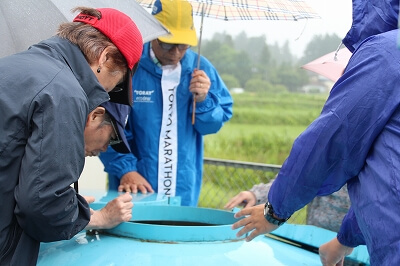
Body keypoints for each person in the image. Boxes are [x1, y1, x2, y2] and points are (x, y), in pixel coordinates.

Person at [231, 0, 400, 264]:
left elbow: (328, 145)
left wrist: (273, 212)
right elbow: (387, 177)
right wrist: (344, 240)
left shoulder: (388, 51)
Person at [0, 7, 143, 265]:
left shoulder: (12, 65)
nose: (109, 92)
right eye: (118, 83)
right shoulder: (64, 91)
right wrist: (94, 217)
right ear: (105, 57)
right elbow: (42, 206)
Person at [99, 0, 233, 206]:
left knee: (177, 234)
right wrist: (126, 170)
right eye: (168, 44)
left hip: (182, 186)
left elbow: (211, 126)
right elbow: (107, 123)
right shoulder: (130, 65)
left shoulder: (200, 68)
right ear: (152, 33)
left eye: (183, 45)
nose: (176, 52)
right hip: (134, 185)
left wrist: (203, 100)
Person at [224, 180, 350, 232]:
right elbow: (296, 180)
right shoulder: (330, 151)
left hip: (361, 251)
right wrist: (256, 194)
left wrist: (346, 240)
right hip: (313, 245)